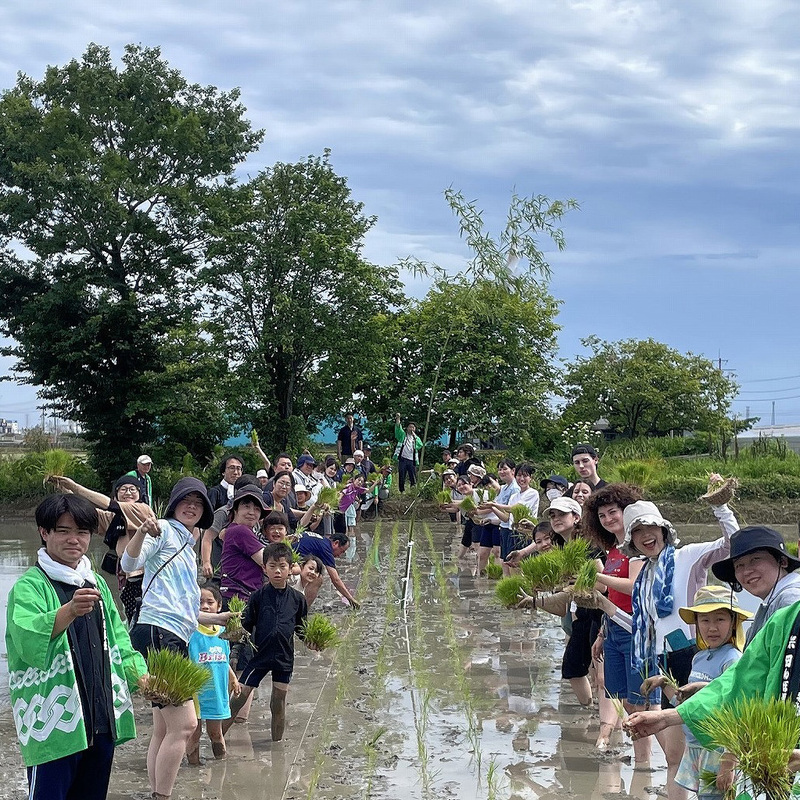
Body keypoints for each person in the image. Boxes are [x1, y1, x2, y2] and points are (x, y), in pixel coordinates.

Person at [6, 494, 147, 800]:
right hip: (54, 724)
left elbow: (119, 638)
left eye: (82, 532)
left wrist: (143, 677)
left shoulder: (94, 582)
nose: (74, 539)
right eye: (63, 531)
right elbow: (27, 639)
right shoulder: (30, 586)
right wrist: (68, 610)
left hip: (99, 719)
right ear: (45, 533)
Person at [121, 477, 230, 800]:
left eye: (198, 502)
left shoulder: (185, 543)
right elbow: (129, 563)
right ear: (173, 504)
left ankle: (158, 792)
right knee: (185, 725)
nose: (192, 505)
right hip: (160, 633)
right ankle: (162, 796)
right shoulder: (165, 531)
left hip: (163, 631)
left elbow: (181, 607)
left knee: (164, 728)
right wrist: (142, 531)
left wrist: (216, 618)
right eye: (186, 500)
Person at [639, 586, 751, 800]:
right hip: (695, 746)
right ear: (697, 624)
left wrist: (730, 760)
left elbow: (736, 708)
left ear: (734, 622)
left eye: (720, 619)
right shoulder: (699, 658)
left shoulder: (733, 660)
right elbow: (687, 704)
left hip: (718, 749)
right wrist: (663, 683)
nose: (712, 628)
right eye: (705, 620)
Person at [223, 542, 313, 741]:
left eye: (282, 566)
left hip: (283, 658)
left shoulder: (298, 600)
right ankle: (217, 738)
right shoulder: (257, 597)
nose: (278, 571)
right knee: (238, 698)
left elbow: (301, 630)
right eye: (272, 566)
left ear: (290, 569)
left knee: (278, 703)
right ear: (265, 569)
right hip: (260, 657)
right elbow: (245, 626)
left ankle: (276, 746)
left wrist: (312, 642)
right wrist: (233, 643)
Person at [49, 474, 155, 622]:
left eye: (133, 489)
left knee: (145, 614)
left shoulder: (142, 510)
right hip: (126, 575)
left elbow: (109, 504)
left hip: (145, 574)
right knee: (131, 614)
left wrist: (75, 486)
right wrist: (67, 490)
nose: (128, 492)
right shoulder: (113, 517)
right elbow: (87, 512)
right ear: (117, 494)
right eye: (123, 489)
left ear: (139, 494)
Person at [710, 525, 800, 646]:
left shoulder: (791, 599)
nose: (747, 571)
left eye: (755, 559)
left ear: (782, 561)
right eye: (739, 565)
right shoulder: (773, 603)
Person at [186, 585, 241, 764]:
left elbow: (224, 661)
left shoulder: (222, 633)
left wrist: (233, 679)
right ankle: (194, 766)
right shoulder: (190, 633)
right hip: (195, 693)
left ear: (219, 607)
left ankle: (221, 765)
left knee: (215, 733)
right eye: (200, 602)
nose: (205, 606)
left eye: (210, 602)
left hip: (216, 692)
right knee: (194, 733)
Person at [294, 531, 360, 608]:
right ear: (336, 543)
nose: (340, 555)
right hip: (291, 561)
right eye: (342, 551)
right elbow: (335, 579)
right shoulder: (326, 549)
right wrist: (350, 599)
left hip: (288, 553)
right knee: (317, 578)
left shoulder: (322, 541)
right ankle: (302, 611)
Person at [393, 412, 423, 492]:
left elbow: (420, 445)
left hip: (411, 460)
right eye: (410, 427)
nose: (411, 429)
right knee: (402, 475)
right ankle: (401, 490)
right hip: (403, 459)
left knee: (412, 476)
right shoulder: (403, 435)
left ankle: (413, 490)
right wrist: (398, 419)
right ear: (407, 428)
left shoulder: (416, 438)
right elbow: (398, 428)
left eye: (413, 427)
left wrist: (415, 437)